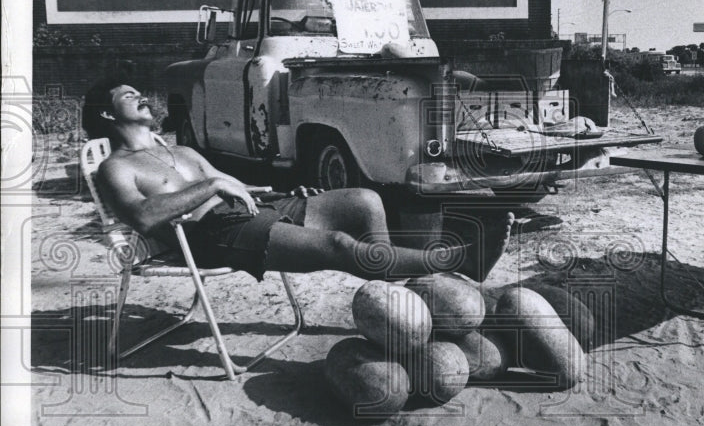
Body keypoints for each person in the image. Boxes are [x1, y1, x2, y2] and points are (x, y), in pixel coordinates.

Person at [82, 80, 512, 283]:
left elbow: (239, 188)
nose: (141, 95)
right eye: (126, 95)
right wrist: (211, 187)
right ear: (107, 115)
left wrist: (285, 194)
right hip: (210, 234)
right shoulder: (115, 167)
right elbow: (141, 217)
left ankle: (390, 277)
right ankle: (455, 262)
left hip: (252, 212)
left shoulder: (182, 151)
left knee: (363, 200)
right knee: (339, 246)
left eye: (139, 91)